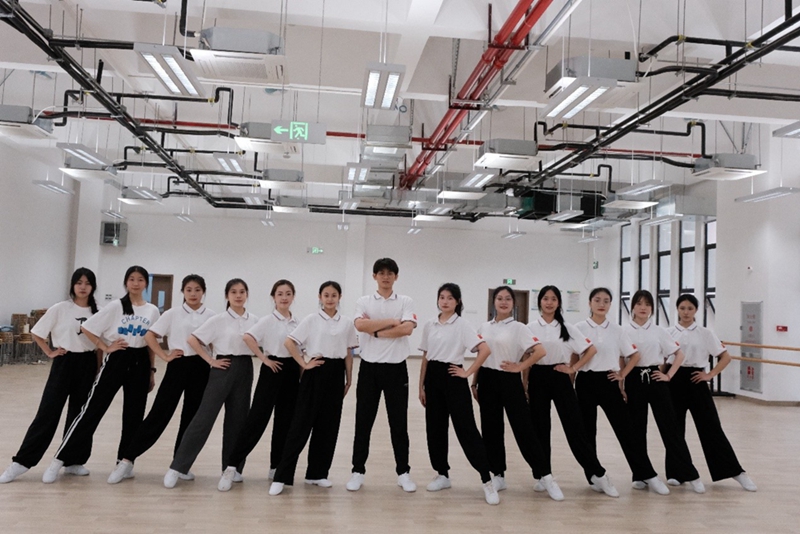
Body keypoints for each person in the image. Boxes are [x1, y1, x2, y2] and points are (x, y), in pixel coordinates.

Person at [42, 266, 160, 483]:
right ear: (126, 282)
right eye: (131, 279)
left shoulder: (152, 310)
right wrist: (105, 347)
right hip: (118, 358)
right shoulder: (116, 306)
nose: (135, 283)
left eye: (140, 279)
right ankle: (59, 459)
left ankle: (124, 463)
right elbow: (88, 328)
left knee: (134, 415)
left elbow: (151, 342)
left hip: (140, 362)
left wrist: (151, 371)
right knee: (92, 410)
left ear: (146, 283)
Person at [108, 274, 214, 484]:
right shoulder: (173, 313)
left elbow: (214, 341)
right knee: (159, 414)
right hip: (178, 365)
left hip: (201, 368)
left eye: (197, 290)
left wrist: (212, 360)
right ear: (182, 292)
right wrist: (165, 357)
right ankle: (126, 460)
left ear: (203, 292)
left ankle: (180, 465)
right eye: (189, 290)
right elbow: (150, 335)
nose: (193, 294)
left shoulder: (211, 315)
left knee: (191, 417)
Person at [0, 268, 100, 483]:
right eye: (79, 282)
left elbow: (100, 343)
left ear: (93, 287)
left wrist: (98, 368)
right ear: (72, 285)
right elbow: (37, 332)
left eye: (87, 283)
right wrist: (49, 352)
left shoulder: (98, 311)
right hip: (64, 362)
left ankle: (73, 461)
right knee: (48, 412)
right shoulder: (61, 308)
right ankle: (21, 462)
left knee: (80, 415)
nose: (83, 287)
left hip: (88, 363)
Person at [574, 287, 670, 495]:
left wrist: (622, 375)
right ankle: (594, 476)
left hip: (609, 381)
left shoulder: (617, 330)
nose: (601, 304)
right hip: (585, 382)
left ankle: (648, 474)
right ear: (589, 303)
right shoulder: (579, 328)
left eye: (606, 301)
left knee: (627, 431)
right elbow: (574, 355)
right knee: (587, 431)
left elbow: (633, 355)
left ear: (611, 304)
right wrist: (571, 380)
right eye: (597, 300)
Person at [163, 278, 258, 488]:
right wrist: (210, 360)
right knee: (203, 418)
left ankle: (231, 468)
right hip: (222, 367)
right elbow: (193, 340)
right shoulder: (218, 319)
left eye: (242, 292)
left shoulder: (254, 320)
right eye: (233, 292)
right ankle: (177, 467)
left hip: (245, 369)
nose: (238, 295)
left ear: (247, 295)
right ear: (227, 295)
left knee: (238, 420)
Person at [473, 286, 564, 501]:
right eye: (499, 298)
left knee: (524, 429)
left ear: (513, 303)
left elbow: (540, 351)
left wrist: (519, 367)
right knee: (491, 429)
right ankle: (498, 474)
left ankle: (546, 475)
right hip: (487, 379)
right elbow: (480, 356)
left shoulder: (519, 328)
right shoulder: (484, 327)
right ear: (494, 302)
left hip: (509, 380)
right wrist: (475, 382)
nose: (503, 302)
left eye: (508, 299)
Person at [527, 286, 619, 498]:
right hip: (537, 377)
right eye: (545, 298)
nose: (549, 302)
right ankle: (542, 475)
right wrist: (525, 384)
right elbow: (526, 357)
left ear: (559, 303)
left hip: (560, 376)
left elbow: (590, 349)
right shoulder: (530, 327)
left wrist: (573, 368)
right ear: (539, 302)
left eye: (553, 299)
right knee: (540, 427)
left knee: (575, 427)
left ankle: (599, 474)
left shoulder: (567, 328)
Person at [269, 281, 356, 495]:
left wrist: (349, 378)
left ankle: (317, 474)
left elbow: (348, 351)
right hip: (315, 371)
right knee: (300, 425)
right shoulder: (311, 319)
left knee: (329, 425)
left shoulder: (346, 323)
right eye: (326, 295)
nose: (330, 299)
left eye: (333, 295)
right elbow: (289, 342)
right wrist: (304, 363)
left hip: (336, 374)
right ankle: (282, 477)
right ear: (320, 297)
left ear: (339, 297)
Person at [418, 283, 499, 505]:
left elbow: (485, 349)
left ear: (457, 302)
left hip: (453, 376)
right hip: (432, 379)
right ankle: (442, 474)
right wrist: (421, 386)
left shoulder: (463, 325)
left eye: (450, 298)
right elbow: (425, 357)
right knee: (435, 428)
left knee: (466, 429)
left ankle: (486, 479)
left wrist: (467, 372)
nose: (445, 301)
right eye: (442, 297)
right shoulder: (430, 324)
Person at [666, 294, 756, 492]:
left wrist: (709, 375)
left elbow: (725, 357)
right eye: (682, 308)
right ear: (677, 309)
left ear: (696, 310)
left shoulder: (706, 333)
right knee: (674, 429)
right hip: (674, 381)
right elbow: (663, 360)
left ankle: (736, 472)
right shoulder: (668, 332)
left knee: (711, 427)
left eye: (690, 308)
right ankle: (676, 472)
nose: (686, 312)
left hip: (696, 380)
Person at [218, 280, 300, 492]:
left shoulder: (297, 323)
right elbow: (248, 337)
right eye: (280, 293)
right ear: (273, 297)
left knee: (285, 421)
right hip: (272, 369)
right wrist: (264, 358)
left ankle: (276, 467)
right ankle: (231, 466)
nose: (284, 297)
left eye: (288, 293)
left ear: (293, 297)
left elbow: (300, 350)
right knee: (256, 420)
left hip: (292, 373)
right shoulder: (267, 320)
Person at [622, 289, 704, 493]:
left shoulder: (659, 331)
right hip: (633, 380)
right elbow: (621, 359)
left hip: (655, 378)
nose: (643, 308)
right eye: (639, 303)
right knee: (636, 429)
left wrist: (668, 376)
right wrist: (621, 385)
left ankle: (690, 474)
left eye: (647, 304)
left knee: (670, 428)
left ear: (652, 308)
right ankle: (640, 474)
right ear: (633, 306)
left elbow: (679, 354)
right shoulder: (624, 330)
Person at [347, 258, 417, 493]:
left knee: (399, 424)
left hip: (397, 369)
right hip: (369, 368)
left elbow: (407, 329)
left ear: (396, 277)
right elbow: (360, 326)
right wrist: (391, 322)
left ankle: (403, 472)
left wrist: (375, 331)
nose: (385, 277)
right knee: (363, 422)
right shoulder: (364, 301)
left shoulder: (405, 301)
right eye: (381, 273)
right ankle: (357, 471)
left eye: (390, 273)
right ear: (374, 276)